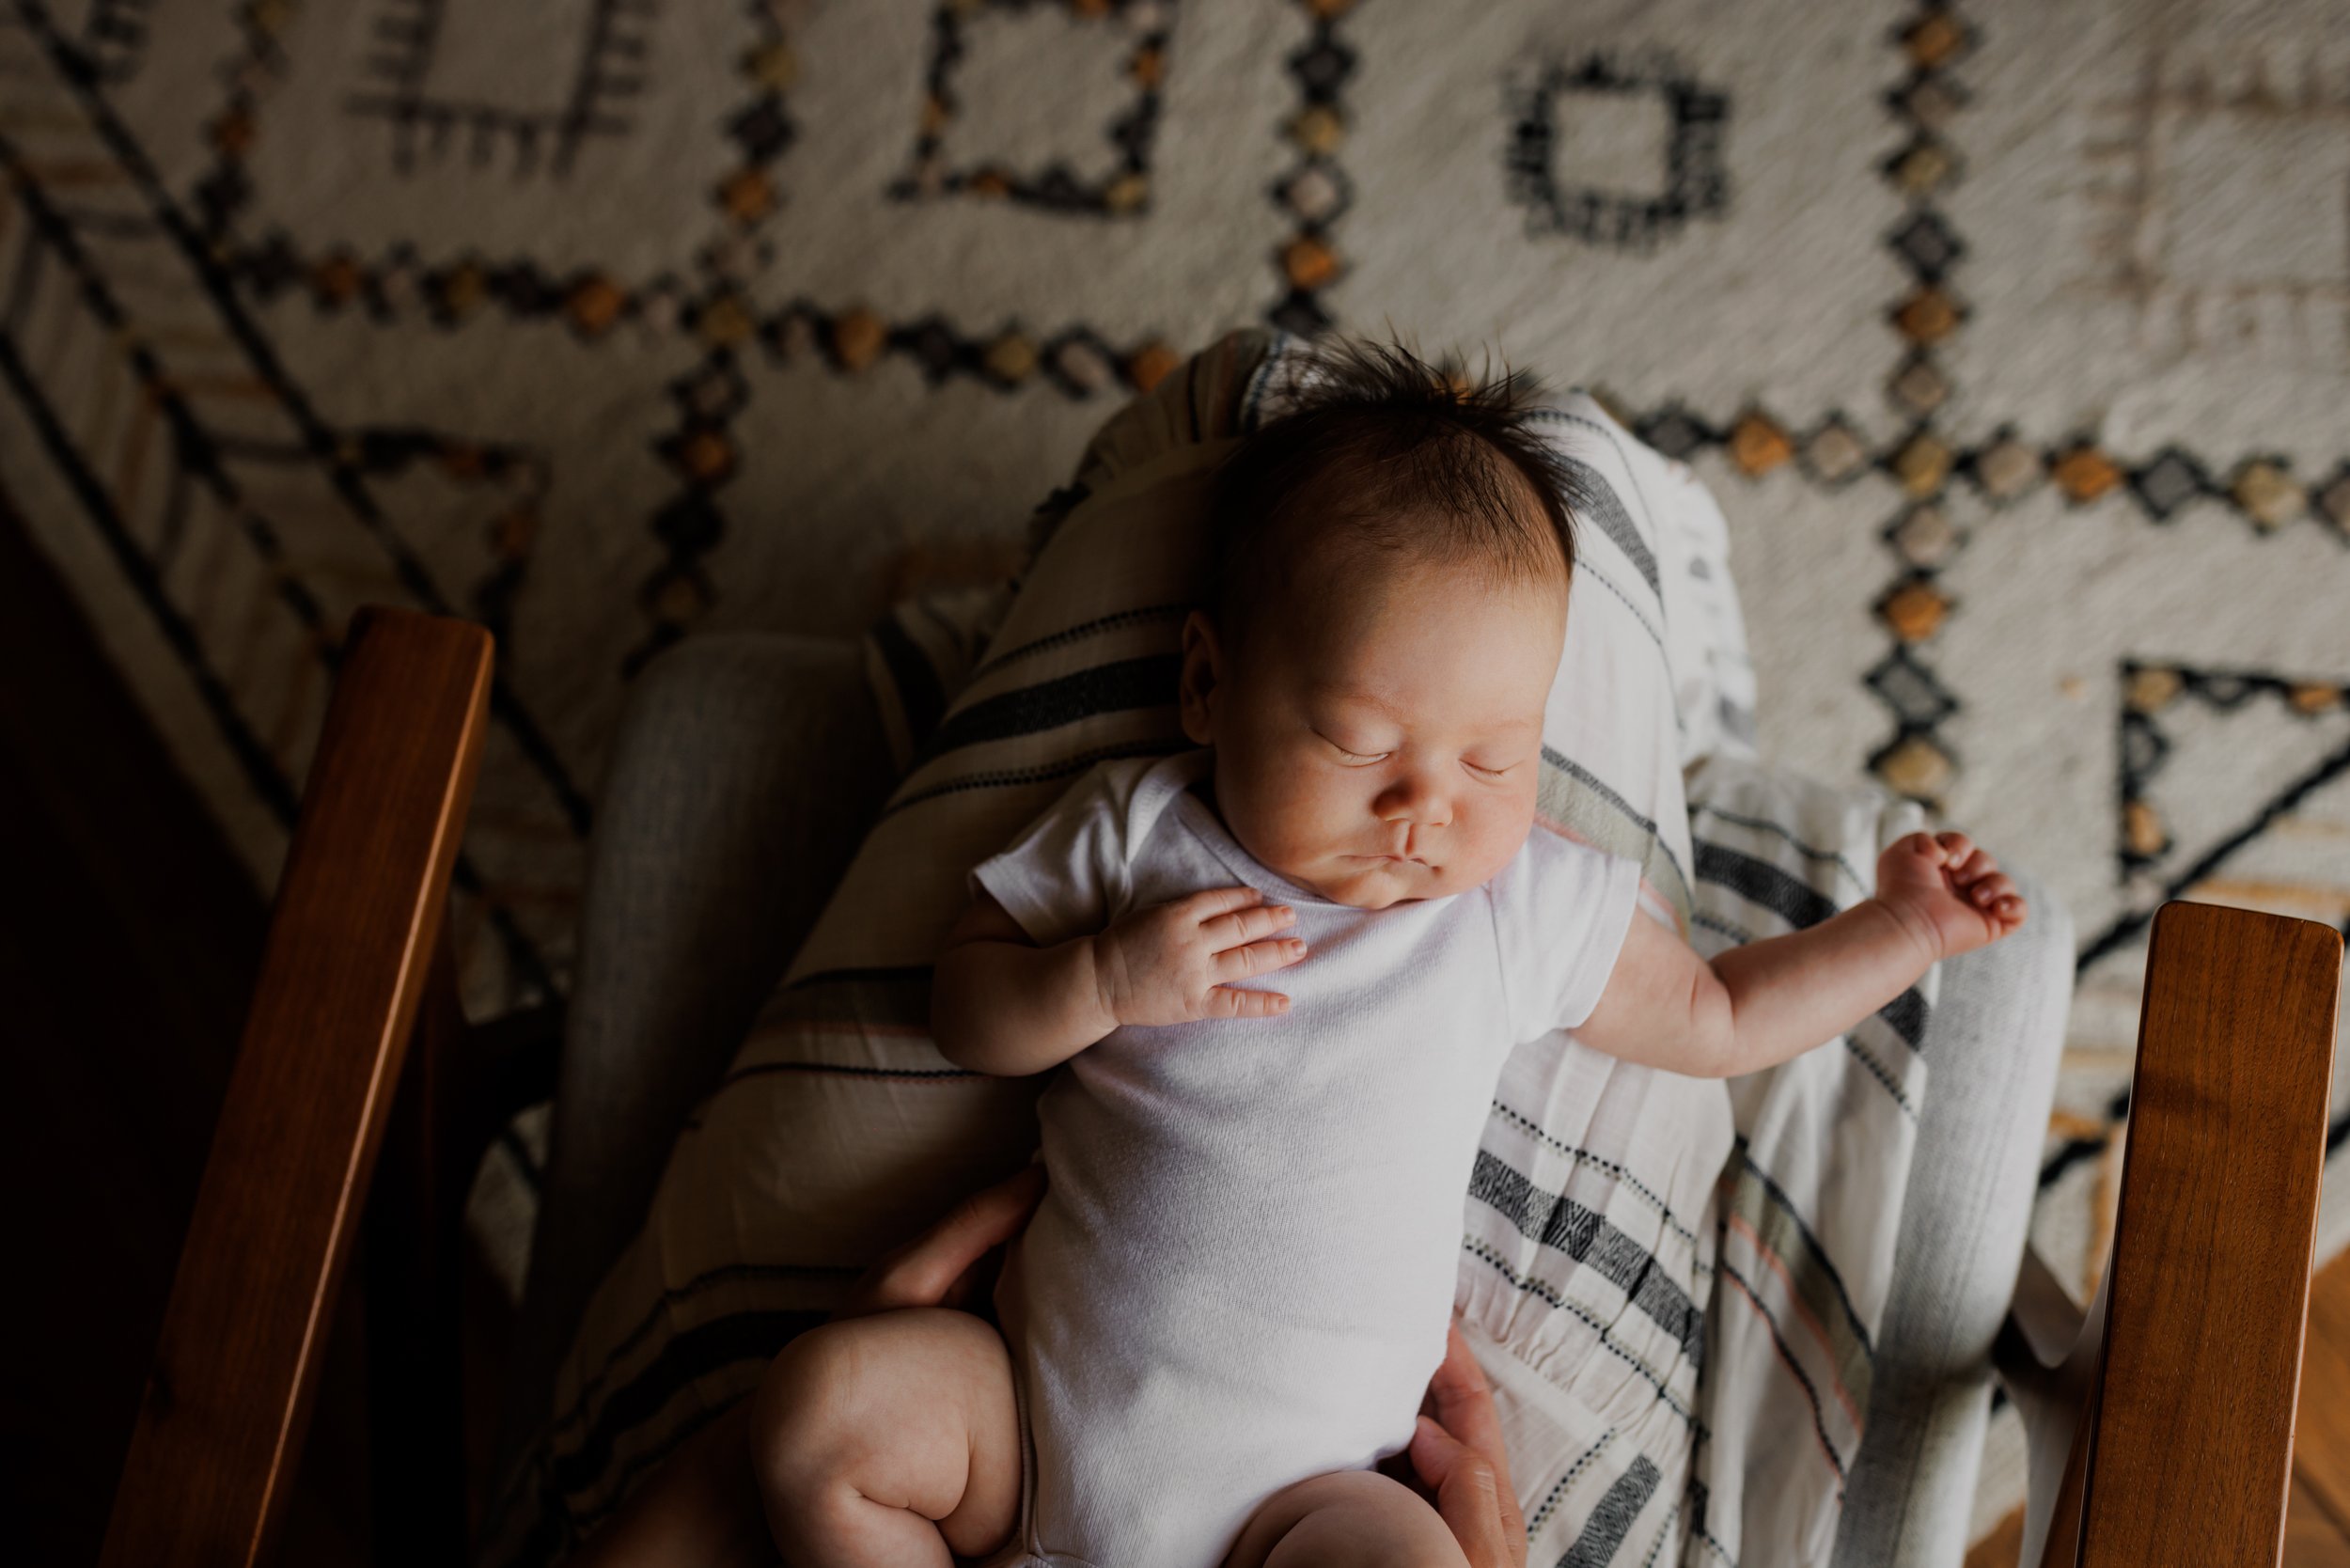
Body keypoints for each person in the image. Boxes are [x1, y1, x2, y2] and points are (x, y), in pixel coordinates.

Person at [591, 336, 2027, 1568]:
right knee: (823, 1414)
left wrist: (1901, 930)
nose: (1427, 810)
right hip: (1023, 1433)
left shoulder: (1511, 907)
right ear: (1209, 684)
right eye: (1361, 744)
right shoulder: (1140, 837)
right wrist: (1097, 982)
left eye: (1497, 760)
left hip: (1305, 1503)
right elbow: (967, 1008)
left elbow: (1715, 1015)